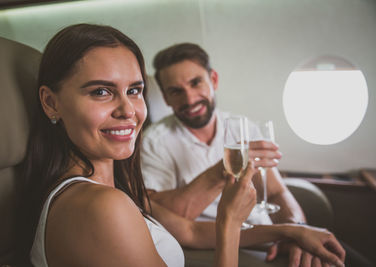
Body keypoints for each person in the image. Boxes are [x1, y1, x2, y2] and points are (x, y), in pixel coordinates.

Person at [18, 23, 261, 267]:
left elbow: (190, 231)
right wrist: (229, 223)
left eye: (134, 90)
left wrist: (289, 232)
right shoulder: (101, 206)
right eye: (101, 91)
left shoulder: (118, 190)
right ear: (50, 102)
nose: (128, 110)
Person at [141, 42, 346, 266]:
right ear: (166, 97)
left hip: (272, 237)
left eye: (196, 83)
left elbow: (276, 193)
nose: (190, 99)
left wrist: (297, 230)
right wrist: (221, 171)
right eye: (176, 91)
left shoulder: (242, 127)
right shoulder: (153, 143)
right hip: (218, 245)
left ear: (214, 80)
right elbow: (169, 220)